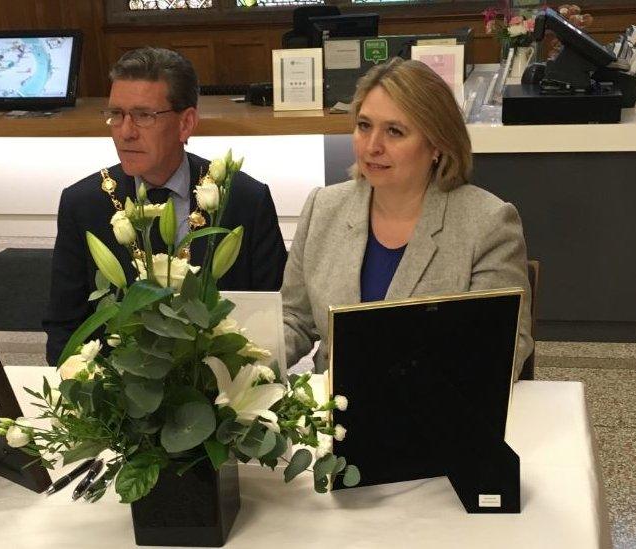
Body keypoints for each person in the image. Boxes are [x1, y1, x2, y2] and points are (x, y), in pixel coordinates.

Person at [281, 57, 533, 381]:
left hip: (430, 415)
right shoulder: (323, 207)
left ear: (437, 144)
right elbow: (294, 319)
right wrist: (238, 362)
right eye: (364, 126)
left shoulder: (488, 224)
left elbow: (500, 349)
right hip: (332, 416)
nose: (372, 146)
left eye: (394, 132)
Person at [44, 47, 287, 366]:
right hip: (119, 395)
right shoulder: (85, 203)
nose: (126, 132)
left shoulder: (242, 199)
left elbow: (272, 319)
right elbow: (64, 331)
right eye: (117, 114)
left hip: (220, 390)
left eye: (143, 115)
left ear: (186, 124)